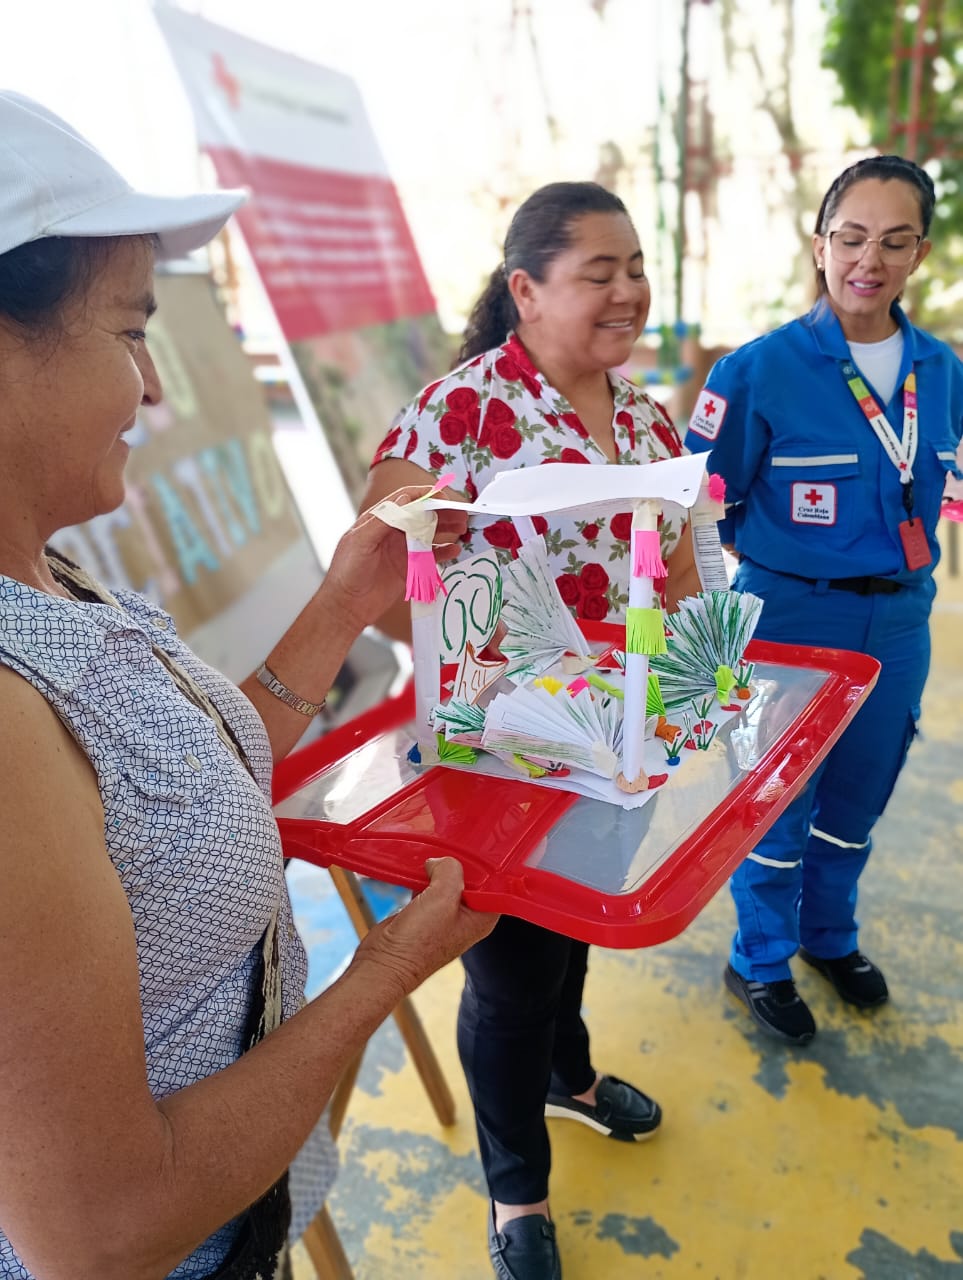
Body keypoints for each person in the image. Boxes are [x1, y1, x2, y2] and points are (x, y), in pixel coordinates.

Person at [0, 91, 496, 1280]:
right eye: (128, 334)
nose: (157, 389)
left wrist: (339, 602)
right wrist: (385, 970)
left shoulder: (48, 578)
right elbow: (99, 1230)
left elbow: (173, 792)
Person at [362, 181, 703, 1280]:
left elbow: (682, 559)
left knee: (578, 925)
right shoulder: (459, 414)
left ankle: (574, 1071)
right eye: (598, 270)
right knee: (508, 978)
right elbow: (373, 584)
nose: (629, 290)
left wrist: (697, 671)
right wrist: (499, 659)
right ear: (525, 288)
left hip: (623, 741)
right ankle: (518, 1192)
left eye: (636, 266)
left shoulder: (645, 414)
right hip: (499, 753)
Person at [685, 156, 963, 1045]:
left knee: (857, 797)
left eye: (890, 241)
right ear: (819, 244)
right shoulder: (756, 370)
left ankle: (826, 938)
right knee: (773, 800)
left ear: (918, 252)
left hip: (899, 619)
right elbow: (699, 513)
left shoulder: (941, 370)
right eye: (849, 238)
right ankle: (758, 958)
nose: (866, 261)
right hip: (787, 617)